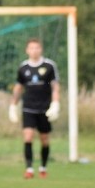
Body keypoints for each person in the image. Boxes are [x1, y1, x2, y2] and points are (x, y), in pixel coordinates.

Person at [9, 38, 60, 179]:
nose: (34, 51)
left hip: (44, 108)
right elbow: (18, 87)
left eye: (37, 48)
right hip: (28, 108)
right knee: (28, 137)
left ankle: (43, 167)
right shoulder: (23, 68)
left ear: (41, 49)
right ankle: (29, 169)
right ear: (27, 50)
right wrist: (13, 105)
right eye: (31, 48)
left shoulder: (49, 66)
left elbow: (55, 86)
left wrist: (56, 103)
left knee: (44, 139)